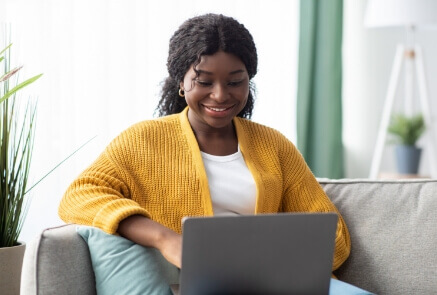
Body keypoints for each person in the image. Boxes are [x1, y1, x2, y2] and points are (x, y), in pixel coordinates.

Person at [59, 12, 350, 287]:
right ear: (182, 83)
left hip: (282, 283)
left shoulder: (274, 145)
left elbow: (334, 237)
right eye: (204, 81)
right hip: (207, 285)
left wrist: (274, 262)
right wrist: (166, 239)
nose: (221, 95)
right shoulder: (142, 140)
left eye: (235, 81)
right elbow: (79, 195)